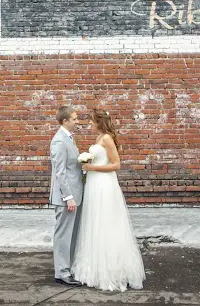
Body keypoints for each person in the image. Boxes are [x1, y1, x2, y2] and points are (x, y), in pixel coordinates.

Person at [71, 108, 146, 292]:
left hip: (104, 185)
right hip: (94, 186)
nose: (88, 125)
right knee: (94, 223)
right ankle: (94, 269)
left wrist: (92, 168)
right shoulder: (98, 139)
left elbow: (116, 164)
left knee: (106, 223)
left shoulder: (106, 139)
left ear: (98, 122)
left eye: (90, 122)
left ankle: (111, 270)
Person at [49, 105, 84, 286]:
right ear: (65, 121)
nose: (77, 122)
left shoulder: (69, 138)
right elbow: (60, 172)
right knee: (63, 235)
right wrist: (68, 197)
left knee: (71, 234)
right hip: (66, 198)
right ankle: (61, 273)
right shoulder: (59, 141)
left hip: (74, 195)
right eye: (75, 119)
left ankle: (67, 268)